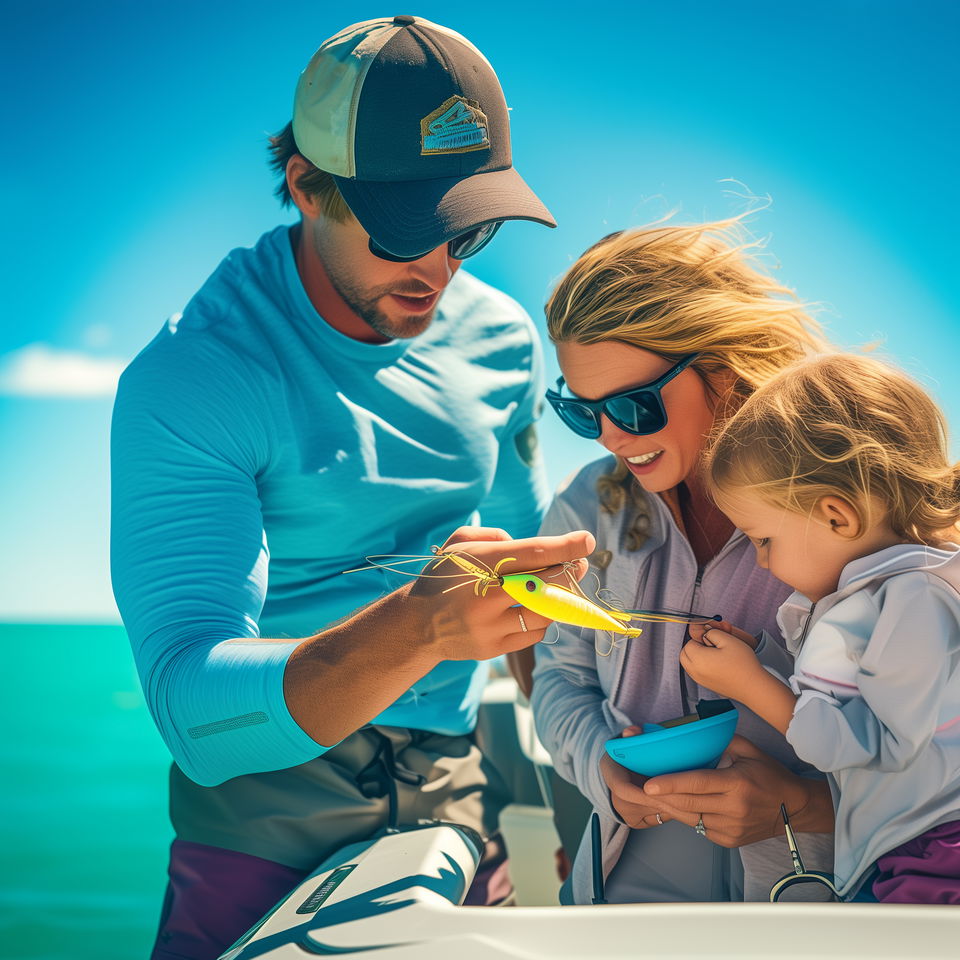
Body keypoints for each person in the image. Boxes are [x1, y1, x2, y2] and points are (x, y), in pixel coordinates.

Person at [110, 15, 592, 960]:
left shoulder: (499, 340)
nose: (438, 268)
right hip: (264, 813)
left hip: (456, 796)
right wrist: (421, 626)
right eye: (407, 229)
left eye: (467, 229)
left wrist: (595, 791)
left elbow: (524, 579)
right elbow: (192, 714)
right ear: (305, 187)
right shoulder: (198, 374)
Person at [527, 219, 838, 905]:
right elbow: (560, 678)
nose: (610, 438)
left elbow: (923, 742)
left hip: (813, 883)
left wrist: (803, 803)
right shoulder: (588, 507)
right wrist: (600, 769)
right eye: (583, 413)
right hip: (629, 872)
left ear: (724, 371)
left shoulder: (842, 505)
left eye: (634, 407)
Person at [681, 352, 960, 903]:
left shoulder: (915, 598)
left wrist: (754, 688)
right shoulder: (880, 598)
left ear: (838, 516)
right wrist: (762, 659)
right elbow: (853, 696)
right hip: (905, 846)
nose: (760, 562)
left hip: (933, 854)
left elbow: (879, 742)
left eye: (763, 540)